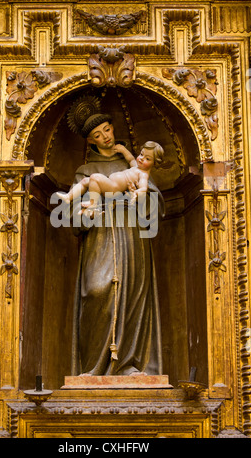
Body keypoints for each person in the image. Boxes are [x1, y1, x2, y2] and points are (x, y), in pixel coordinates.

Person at [68, 101, 164, 377]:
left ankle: (128, 364)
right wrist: (87, 213)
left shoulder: (134, 164)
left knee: (131, 295)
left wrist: (141, 196)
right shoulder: (85, 171)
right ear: (90, 141)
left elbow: (155, 204)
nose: (105, 137)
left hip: (132, 239)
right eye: (97, 135)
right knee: (98, 291)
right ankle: (93, 368)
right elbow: (73, 218)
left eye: (107, 129)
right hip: (100, 240)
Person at [56, 141, 164, 212]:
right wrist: (123, 150)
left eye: (147, 159)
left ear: (154, 163)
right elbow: (130, 159)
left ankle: (93, 203)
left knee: (95, 177)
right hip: (110, 183)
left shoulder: (143, 175)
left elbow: (144, 188)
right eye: (141, 154)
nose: (141, 158)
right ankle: (68, 196)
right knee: (85, 180)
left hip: (113, 188)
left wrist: (136, 193)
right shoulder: (136, 167)